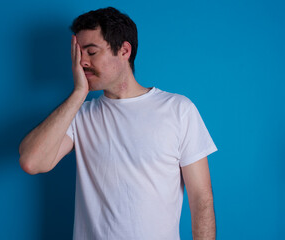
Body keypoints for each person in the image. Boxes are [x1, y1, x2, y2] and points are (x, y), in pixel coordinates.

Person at [19, 7, 217, 240]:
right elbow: (32, 162)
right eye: (78, 53)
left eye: (91, 52)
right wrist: (78, 94)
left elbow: (201, 200)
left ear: (124, 50)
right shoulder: (80, 116)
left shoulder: (178, 109)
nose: (82, 62)